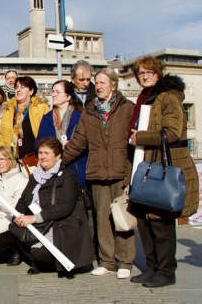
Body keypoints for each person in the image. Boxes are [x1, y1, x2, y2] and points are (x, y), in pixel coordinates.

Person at [129, 56, 199, 288]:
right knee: (144, 221)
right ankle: (152, 268)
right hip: (147, 165)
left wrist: (140, 137)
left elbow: (172, 132)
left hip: (164, 166)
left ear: (158, 74)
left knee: (161, 223)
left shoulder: (168, 97)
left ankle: (167, 271)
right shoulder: (146, 98)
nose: (145, 76)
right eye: (141, 73)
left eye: (149, 72)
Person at [62, 68, 135, 279]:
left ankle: (125, 262)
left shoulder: (127, 108)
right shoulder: (90, 110)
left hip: (120, 171)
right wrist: (59, 161)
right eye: (98, 83)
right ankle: (107, 261)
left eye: (103, 82)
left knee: (122, 218)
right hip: (96, 172)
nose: (99, 86)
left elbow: (135, 142)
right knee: (102, 219)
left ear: (113, 84)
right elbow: (78, 142)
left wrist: (132, 172)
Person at [12, 137, 95, 276]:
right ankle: (40, 260)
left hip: (60, 224)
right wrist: (18, 214)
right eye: (40, 152)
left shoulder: (68, 176)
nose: (42, 156)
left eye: (46, 153)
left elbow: (64, 207)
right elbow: (24, 199)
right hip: (40, 222)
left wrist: (34, 218)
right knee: (13, 228)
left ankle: (50, 263)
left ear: (57, 156)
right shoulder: (36, 175)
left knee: (38, 253)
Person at [36, 80, 87, 190]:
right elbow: (38, 142)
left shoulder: (81, 116)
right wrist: (54, 145)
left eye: (57, 92)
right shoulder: (47, 118)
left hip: (75, 166)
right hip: (52, 169)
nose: (53, 94)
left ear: (68, 96)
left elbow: (87, 141)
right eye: (52, 91)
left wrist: (71, 144)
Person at [0, 76, 49, 172]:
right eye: (16, 87)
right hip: (13, 161)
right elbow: (3, 136)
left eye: (22, 87)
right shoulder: (8, 110)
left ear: (31, 91)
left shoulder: (41, 108)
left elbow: (47, 136)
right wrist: (2, 158)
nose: (18, 90)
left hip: (35, 160)